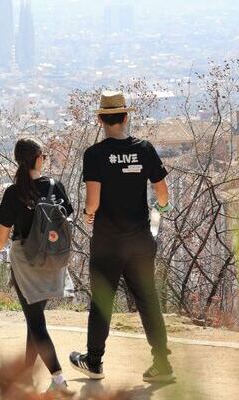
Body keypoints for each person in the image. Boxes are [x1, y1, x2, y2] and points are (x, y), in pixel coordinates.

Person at [69, 91, 175, 383]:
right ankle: (161, 363)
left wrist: (89, 214)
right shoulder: (144, 149)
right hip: (140, 240)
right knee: (148, 300)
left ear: (101, 119)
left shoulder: (95, 155)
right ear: (126, 117)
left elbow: (93, 202)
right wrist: (161, 209)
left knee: (103, 301)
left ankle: (94, 361)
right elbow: (162, 192)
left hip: (108, 242)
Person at [0, 138, 74, 393]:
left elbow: (2, 237)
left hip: (26, 262)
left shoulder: (14, 192)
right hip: (54, 259)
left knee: (36, 323)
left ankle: (58, 381)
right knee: (35, 319)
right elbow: (67, 220)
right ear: (38, 158)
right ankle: (25, 374)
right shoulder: (56, 186)